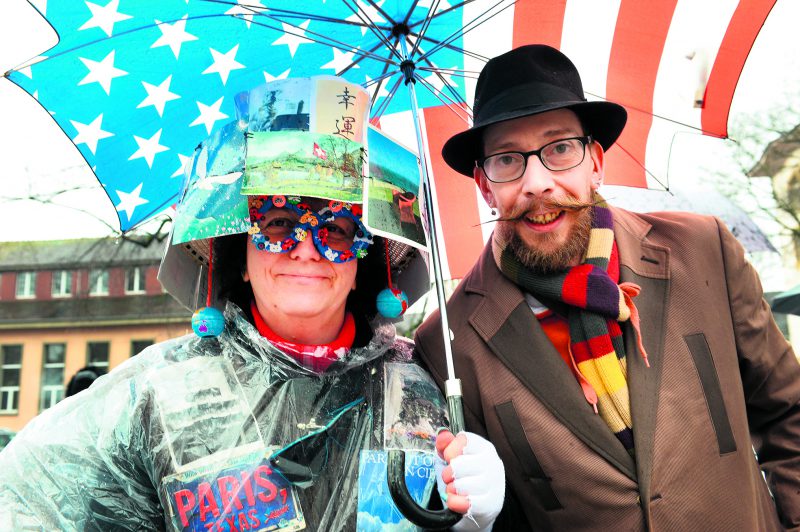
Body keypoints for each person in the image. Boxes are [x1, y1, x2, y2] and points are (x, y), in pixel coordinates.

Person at [0, 77, 503, 531]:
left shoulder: (424, 388)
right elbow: (28, 503)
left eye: (335, 230)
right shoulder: (154, 395)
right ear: (240, 256)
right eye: (279, 225)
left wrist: (473, 519)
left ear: (360, 265)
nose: (306, 249)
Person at [415, 44, 800, 530]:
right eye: (508, 159)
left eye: (559, 149)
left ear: (595, 161)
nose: (537, 182)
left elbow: (790, 411)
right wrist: (481, 517)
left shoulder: (703, 251)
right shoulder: (449, 342)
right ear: (485, 185)